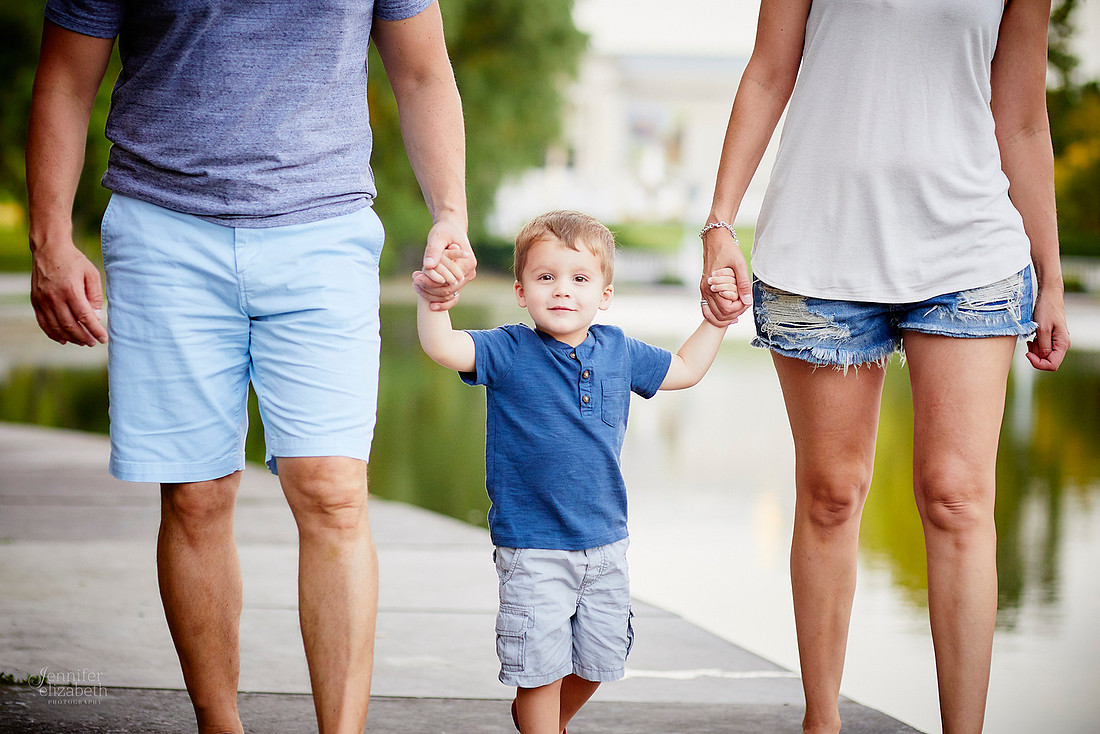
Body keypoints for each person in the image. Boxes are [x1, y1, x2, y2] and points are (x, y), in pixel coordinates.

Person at [26, 1, 474, 732]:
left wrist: (449, 214)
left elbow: (423, 72)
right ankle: (219, 725)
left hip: (324, 226)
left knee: (333, 490)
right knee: (196, 492)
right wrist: (50, 240)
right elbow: (65, 79)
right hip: (163, 222)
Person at [699, 1, 1071, 732]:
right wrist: (719, 222)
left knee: (958, 496)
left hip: (970, 249)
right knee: (832, 493)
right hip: (819, 244)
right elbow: (769, 71)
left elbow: (1023, 115)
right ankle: (821, 721)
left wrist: (1050, 275)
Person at [416, 210, 732, 734]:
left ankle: (542, 721)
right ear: (521, 290)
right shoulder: (509, 349)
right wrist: (435, 303)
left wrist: (717, 322)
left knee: (600, 659)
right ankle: (540, 719)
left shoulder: (619, 350)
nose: (562, 291)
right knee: (539, 668)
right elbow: (443, 346)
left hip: (604, 543)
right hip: (533, 546)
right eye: (546, 278)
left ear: (604, 293)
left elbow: (685, 369)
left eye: (579, 279)